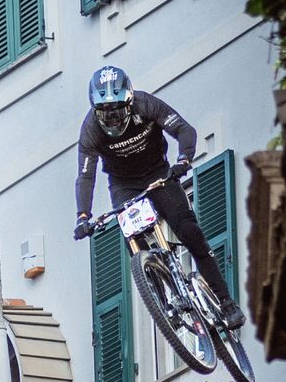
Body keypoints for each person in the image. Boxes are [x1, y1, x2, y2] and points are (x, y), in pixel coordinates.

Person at [73, 65, 246, 330]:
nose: (113, 121)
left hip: (158, 173)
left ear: (129, 103)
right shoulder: (91, 130)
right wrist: (82, 216)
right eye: (105, 115)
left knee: (189, 230)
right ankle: (163, 301)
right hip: (124, 185)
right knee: (134, 241)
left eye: (118, 112)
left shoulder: (146, 104)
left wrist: (184, 158)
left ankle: (226, 302)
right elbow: (86, 176)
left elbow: (183, 129)